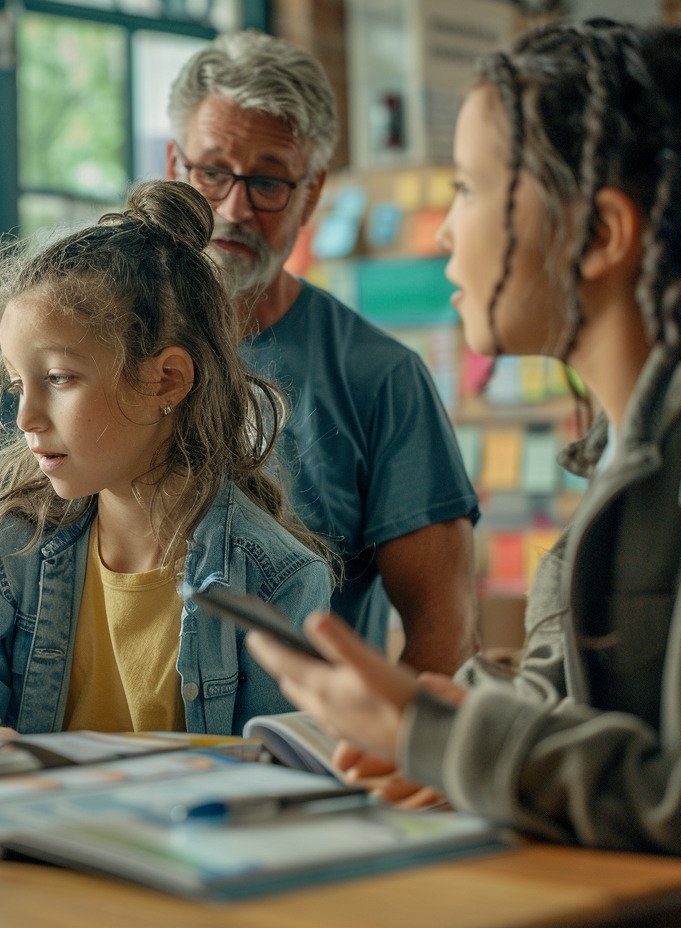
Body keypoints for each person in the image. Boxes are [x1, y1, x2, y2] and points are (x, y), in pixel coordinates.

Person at [249, 19, 681, 854]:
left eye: (467, 187)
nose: (448, 233)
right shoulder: (622, 451)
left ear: (600, 234)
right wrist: (447, 723)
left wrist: (448, 738)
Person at [0, 180, 332, 739]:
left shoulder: (277, 578)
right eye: (19, 383)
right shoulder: (17, 542)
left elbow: (279, 771)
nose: (25, 418)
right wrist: (17, 759)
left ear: (166, 379)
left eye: (58, 379)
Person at [165, 32, 480, 674]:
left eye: (270, 182)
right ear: (175, 167)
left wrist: (395, 758)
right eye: (213, 171)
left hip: (306, 753)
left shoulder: (381, 378)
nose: (234, 207)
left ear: (311, 194)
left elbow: (443, 635)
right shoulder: (111, 343)